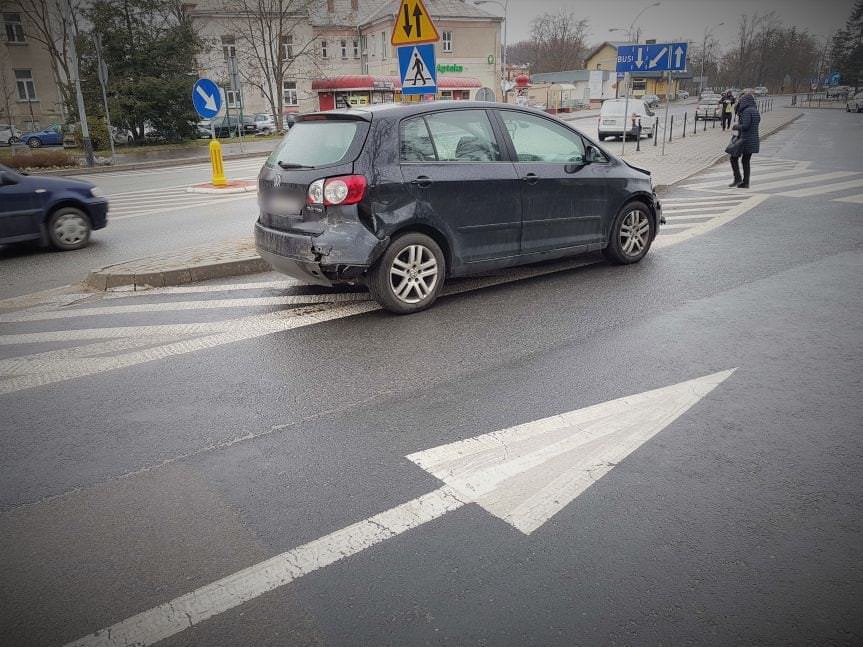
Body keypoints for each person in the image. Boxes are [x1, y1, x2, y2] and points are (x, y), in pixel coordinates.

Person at [729, 90, 761, 188]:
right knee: (745, 161)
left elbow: (746, 126)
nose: (740, 101)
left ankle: (738, 179)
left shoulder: (747, 111)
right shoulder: (754, 110)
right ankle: (745, 182)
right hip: (753, 139)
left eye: (741, 100)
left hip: (745, 139)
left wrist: (736, 126)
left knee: (733, 158)